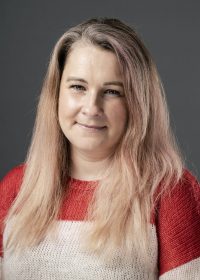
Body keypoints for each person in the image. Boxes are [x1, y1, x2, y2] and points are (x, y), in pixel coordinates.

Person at [0, 17, 200, 280]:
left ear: (137, 104)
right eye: (78, 87)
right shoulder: (16, 188)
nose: (91, 108)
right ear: (56, 94)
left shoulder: (169, 192)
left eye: (112, 92)